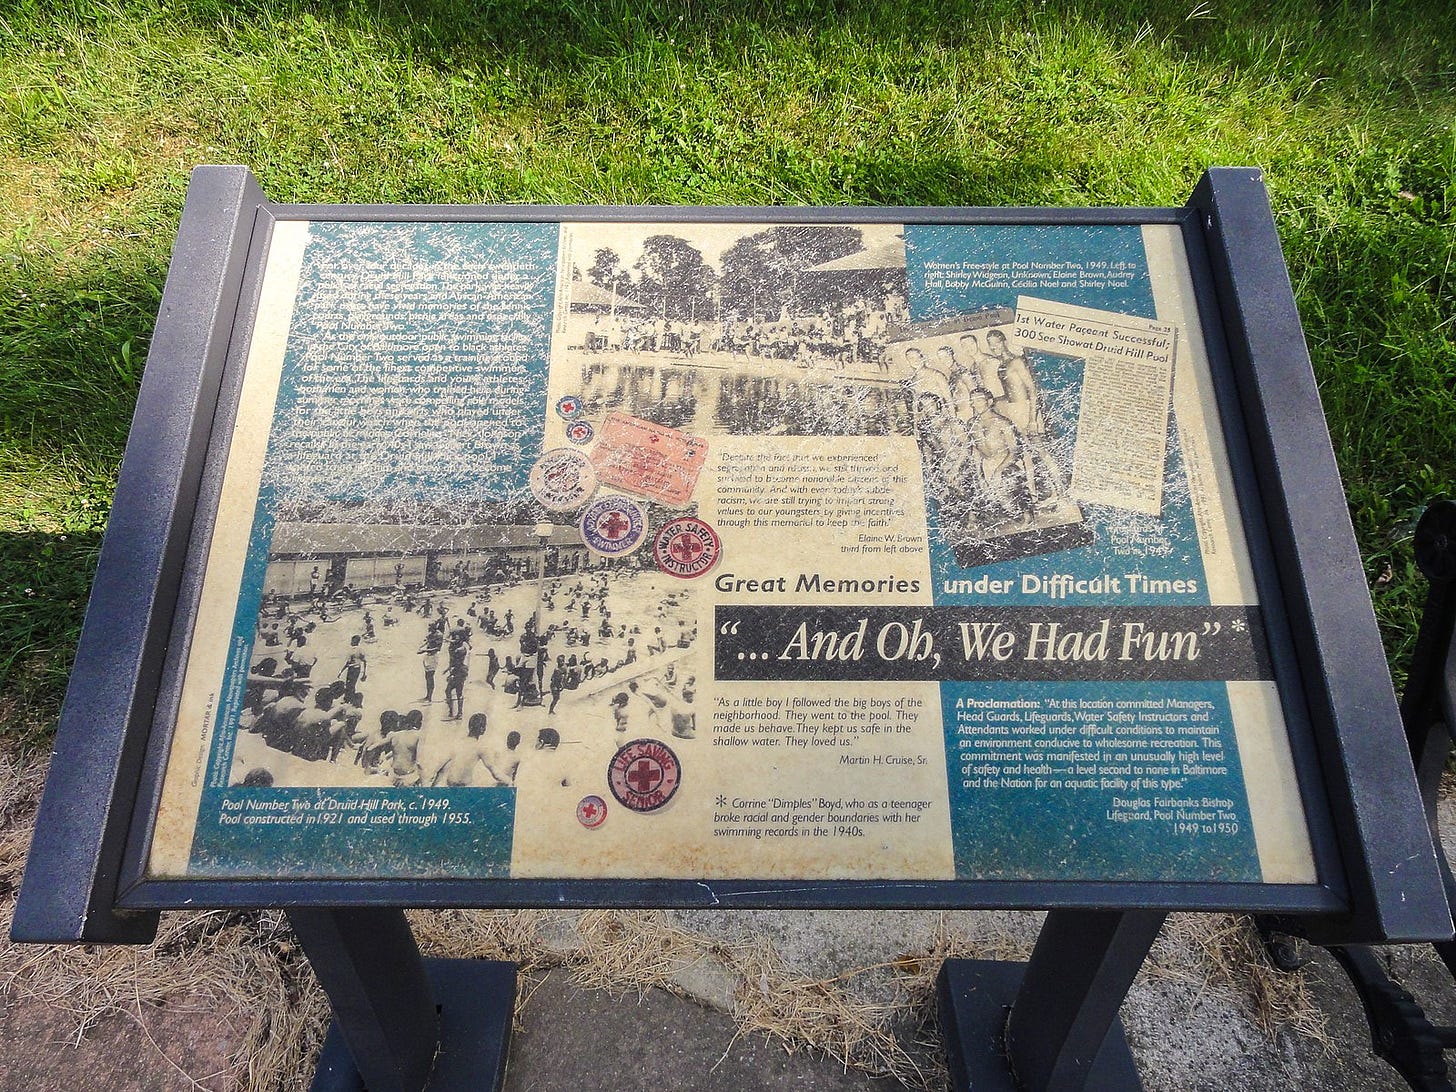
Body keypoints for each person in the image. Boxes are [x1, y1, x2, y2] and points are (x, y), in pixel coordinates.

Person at [431, 713, 504, 787]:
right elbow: (494, 771)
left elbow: (441, 765)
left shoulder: (459, 742)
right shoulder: (480, 747)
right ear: (482, 728)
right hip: (464, 786)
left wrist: (433, 785)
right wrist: (509, 781)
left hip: (450, 783)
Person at [444, 636, 470, 720]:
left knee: (457, 693)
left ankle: (457, 712)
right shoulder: (461, 650)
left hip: (459, 675)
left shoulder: (460, 651)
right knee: (451, 692)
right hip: (458, 673)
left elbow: (458, 665)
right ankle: (455, 711)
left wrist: (452, 675)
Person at [339, 635, 368, 705]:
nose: (351, 642)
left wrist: (341, 671)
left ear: (354, 641)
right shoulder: (361, 650)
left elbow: (347, 663)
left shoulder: (351, 651)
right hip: (358, 669)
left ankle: (348, 699)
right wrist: (364, 673)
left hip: (351, 669)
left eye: (352, 640)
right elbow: (364, 661)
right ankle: (350, 698)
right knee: (352, 684)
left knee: (349, 684)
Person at [419, 625, 442, 703]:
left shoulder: (439, 635)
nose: (429, 629)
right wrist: (421, 646)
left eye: (430, 628)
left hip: (433, 656)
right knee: (427, 677)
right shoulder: (431, 634)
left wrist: (424, 650)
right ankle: (427, 695)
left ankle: (430, 697)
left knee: (430, 677)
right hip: (428, 656)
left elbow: (438, 648)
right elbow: (427, 641)